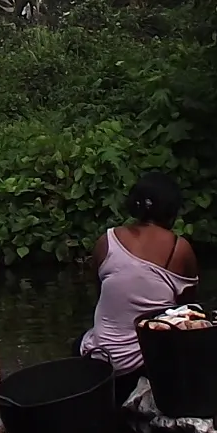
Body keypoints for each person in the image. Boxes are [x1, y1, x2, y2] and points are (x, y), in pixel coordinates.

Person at [79, 172, 199, 403]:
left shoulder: (107, 240)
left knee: (82, 340)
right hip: (142, 364)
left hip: (99, 359)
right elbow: (188, 310)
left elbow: (100, 293)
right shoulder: (179, 248)